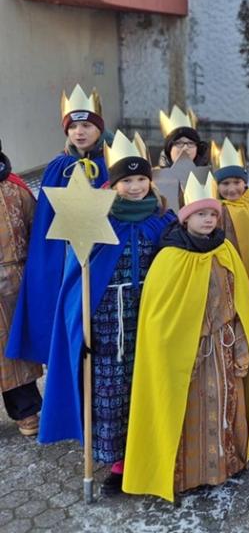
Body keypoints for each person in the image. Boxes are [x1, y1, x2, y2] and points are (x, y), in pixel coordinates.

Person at [40, 131, 174, 496]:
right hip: (106, 320)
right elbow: (77, 277)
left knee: (148, 385)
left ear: (151, 180)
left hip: (149, 317)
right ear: (112, 183)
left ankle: (152, 451)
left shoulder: (163, 219)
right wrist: (78, 328)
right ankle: (118, 462)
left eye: (141, 179)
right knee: (112, 391)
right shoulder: (97, 219)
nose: (134, 186)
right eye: (126, 180)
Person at [123, 173, 249, 502]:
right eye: (201, 214)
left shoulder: (224, 250)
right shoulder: (171, 257)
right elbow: (158, 315)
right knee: (187, 412)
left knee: (226, 405)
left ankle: (225, 464)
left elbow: (239, 300)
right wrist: (179, 345)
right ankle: (187, 474)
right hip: (188, 353)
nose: (209, 219)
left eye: (213, 214)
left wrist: (239, 339)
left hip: (223, 347)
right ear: (186, 218)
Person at [7, 85, 110, 365]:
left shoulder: (113, 165)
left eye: (87, 125)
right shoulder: (58, 167)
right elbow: (45, 222)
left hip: (103, 255)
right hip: (65, 256)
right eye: (73, 126)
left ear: (99, 128)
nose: (80, 132)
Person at [0, 140, 43, 437]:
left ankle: (25, 410)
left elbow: (36, 230)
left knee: (13, 351)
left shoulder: (16, 189)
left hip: (13, 278)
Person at [212, 137, 249, 275]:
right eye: (225, 184)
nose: (232, 189)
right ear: (216, 185)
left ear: (244, 183)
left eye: (237, 182)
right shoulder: (215, 208)